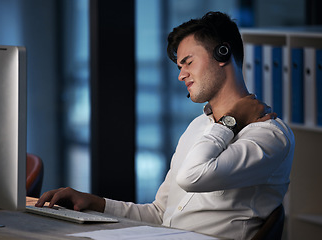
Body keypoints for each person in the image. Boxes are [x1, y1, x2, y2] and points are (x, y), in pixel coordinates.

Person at [36, 11, 295, 240]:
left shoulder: (270, 136)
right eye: (179, 66)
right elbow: (160, 214)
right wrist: (95, 203)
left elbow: (192, 176)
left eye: (188, 62)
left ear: (222, 54)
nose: (181, 74)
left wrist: (230, 121)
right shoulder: (198, 127)